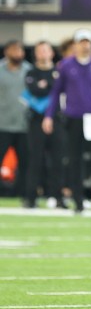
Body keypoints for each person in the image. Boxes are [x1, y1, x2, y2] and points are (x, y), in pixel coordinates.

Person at [44, 29, 91, 214]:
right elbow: (56, 93)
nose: (85, 45)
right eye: (81, 42)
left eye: (87, 42)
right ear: (75, 44)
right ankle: (78, 202)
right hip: (74, 118)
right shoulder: (66, 65)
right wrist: (49, 116)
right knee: (75, 161)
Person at [23, 41, 60, 208]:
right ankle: (31, 197)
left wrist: (47, 86)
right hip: (36, 120)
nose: (43, 53)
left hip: (57, 119)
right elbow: (34, 91)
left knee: (58, 159)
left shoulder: (59, 71)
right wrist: (48, 87)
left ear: (52, 53)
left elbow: (57, 89)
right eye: (40, 51)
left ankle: (57, 196)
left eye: (46, 50)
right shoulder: (31, 71)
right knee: (35, 159)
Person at [0, 40, 32, 204]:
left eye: (19, 50)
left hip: (23, 125)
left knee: (26, 162)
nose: (17, 53)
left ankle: (25, 194)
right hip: (2, 124)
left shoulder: (29, 71)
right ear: (6, 52)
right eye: (13, 50)